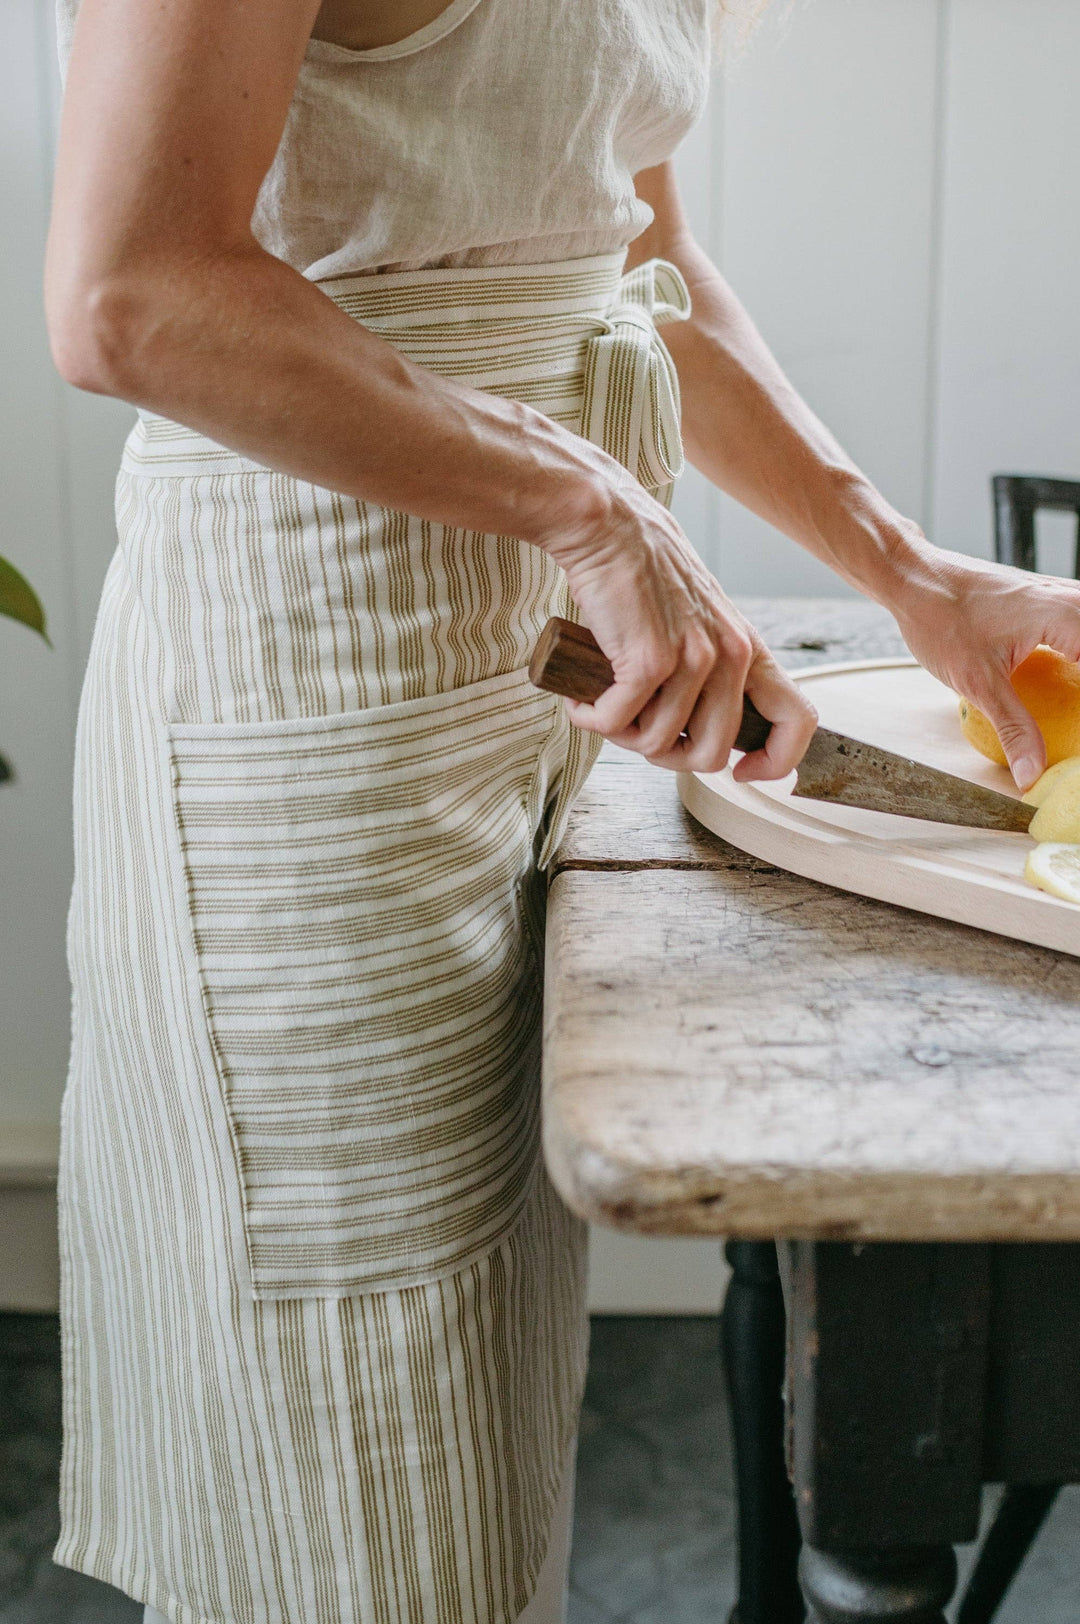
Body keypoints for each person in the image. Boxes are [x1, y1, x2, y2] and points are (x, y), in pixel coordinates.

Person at [43, 2, 1080, 1622]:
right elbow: (129, 295)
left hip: (544, 661)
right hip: (312, 668)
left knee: (471, 1428)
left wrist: (909, 569)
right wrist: (587, 502)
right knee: (353, 1471)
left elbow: (627, 260)